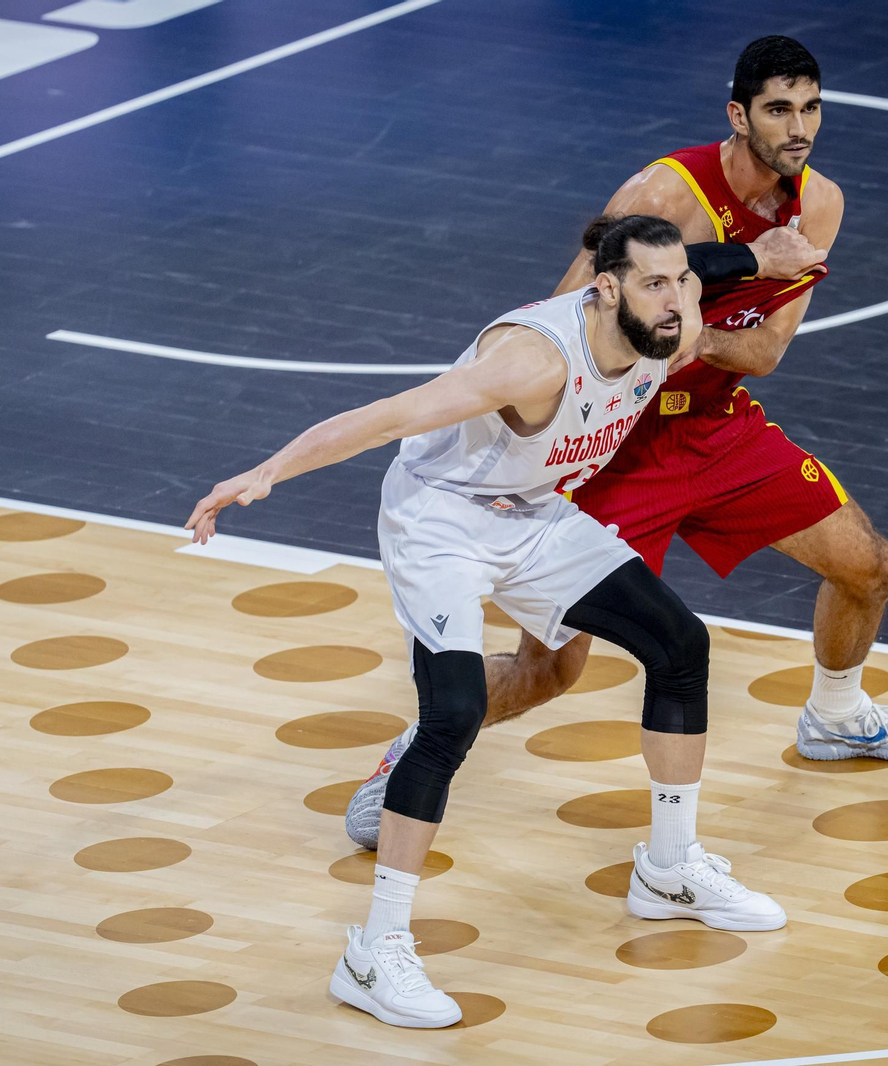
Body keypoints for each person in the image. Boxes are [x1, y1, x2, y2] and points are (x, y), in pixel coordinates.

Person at [347, 35, 888, 851]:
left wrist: (689, 338)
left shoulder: (821, 206)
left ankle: (838, 716)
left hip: (715, 427)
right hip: (614, 444)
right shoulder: (664, 193)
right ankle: (403, 765)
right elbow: (566, 315)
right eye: (779, 109)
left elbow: (767, 351)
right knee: (548, 673)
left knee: (869, 566)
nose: (798, 127)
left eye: (810, 108)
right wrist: (706, 296)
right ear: (738, 115)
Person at [186, 215, 786, 1030]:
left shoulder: (666, 320)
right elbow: (394, 416)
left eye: (682, 282)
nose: (677, 298)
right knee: (456, 714)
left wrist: (759, 256)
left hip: (532, 512)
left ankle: (671, 869)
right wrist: (266, 472)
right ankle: (374, 951)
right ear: (605, 291)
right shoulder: (534, 359)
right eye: (655, 284)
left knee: (681, 644)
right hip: (441, 521)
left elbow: (696, 267)